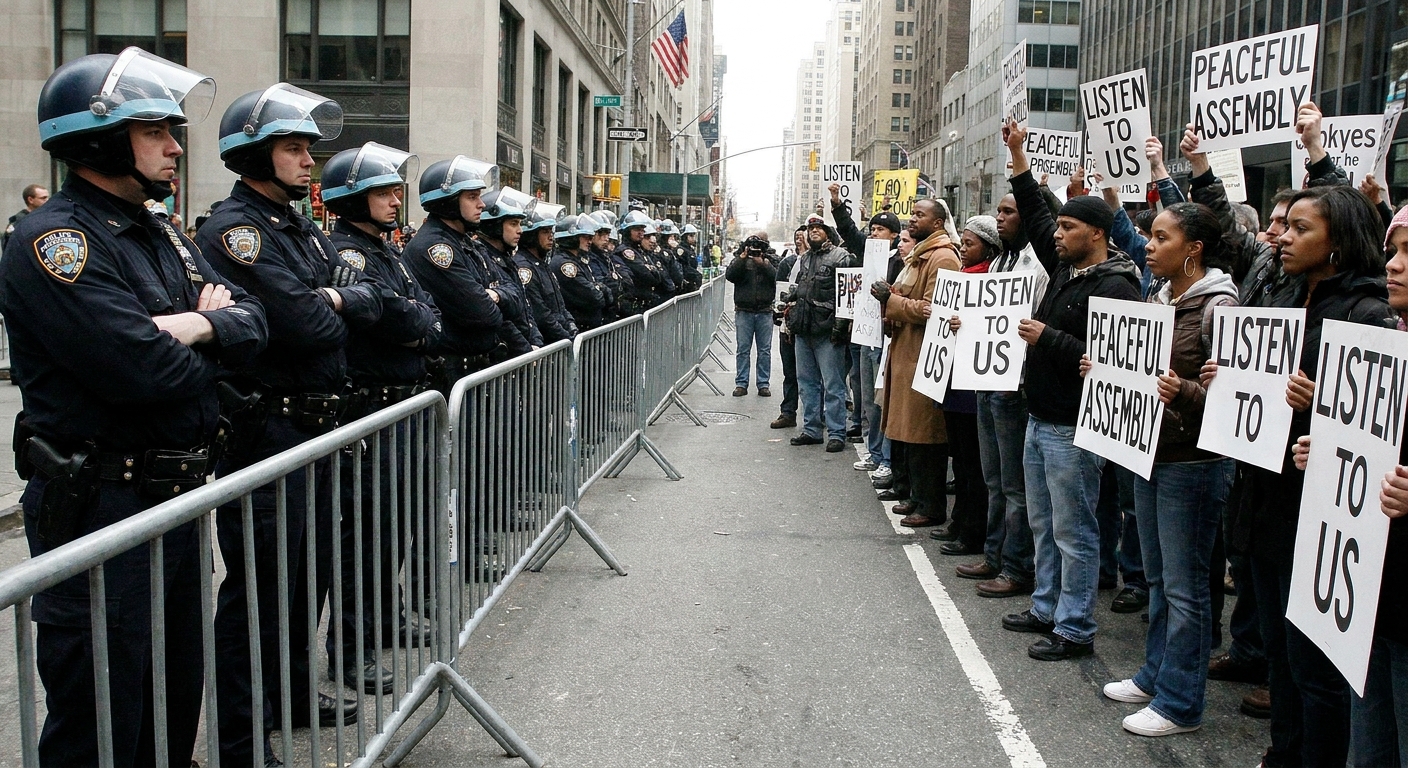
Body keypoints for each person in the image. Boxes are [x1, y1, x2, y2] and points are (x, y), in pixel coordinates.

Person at [0, 48, 265, 768]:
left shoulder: (163, 231)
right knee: (105, 711)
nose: (176, 145)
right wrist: (210, 334)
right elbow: (140, 369)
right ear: (99, 136)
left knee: (174, 695)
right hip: (100, 502)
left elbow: (256, 325)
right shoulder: (58, 242)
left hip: (170, 499)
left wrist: (203, 325)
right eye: (155, 131)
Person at [198, 82, 379, 766]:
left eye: (309, 148)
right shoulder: (234, 231)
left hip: (316, 429)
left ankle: (293, 695)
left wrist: (338, 297)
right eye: (294, 148)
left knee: (308, 580)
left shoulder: (298, 227)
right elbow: (304, 325)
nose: (310, 162)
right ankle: (242, 741)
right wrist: (339, 300)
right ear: (254, 152)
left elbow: (373, 303)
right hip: (268, 431)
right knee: (261, 595)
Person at [1205, 183, 1391, 767]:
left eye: (1301, 229)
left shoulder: (1369, 315)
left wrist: (1320, 405)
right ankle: (1284, 753)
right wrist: (1229, 383)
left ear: (1340, 241)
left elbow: (1377, 429)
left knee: (1317, 668)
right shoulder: (1285, 300)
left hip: (1321, 518)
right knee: (1283, 657)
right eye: (1285, 227)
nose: (1282, 236)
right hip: (1264, 502)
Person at [998, 119, 1142, 661]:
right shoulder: (1066, 268)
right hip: (1041, 418)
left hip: (1075, 428)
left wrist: (1048, 338)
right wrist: (1018, 155)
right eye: (1056, 229)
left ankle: (1075, 625)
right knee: (1043, 521)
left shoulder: (1118, 285)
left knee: (1074, 530)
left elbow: (1106, 360)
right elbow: (1033, 211)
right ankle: (1046, 604)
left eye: (1067, 228)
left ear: (1096, 233)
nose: (1055, 236)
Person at [1095, 202, 1238, 736]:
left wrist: (1184, 391)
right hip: (1148, 452)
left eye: (1160, 237)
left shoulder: (1219, 306)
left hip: (1193, 462)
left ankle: (1181, 702)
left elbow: (1236, 398)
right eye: (1149, 238)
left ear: (1193, 248)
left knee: (1186, 588)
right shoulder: (1160, 295)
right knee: (1157, 578)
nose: (1148, 247)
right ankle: (1155, 674)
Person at [321, 141, 441, 695]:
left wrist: (413, 319)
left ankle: (385, 620)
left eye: (397, 190)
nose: (396, 200)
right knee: (368, 537)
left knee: (396, 528)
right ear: (352, 198)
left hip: (403, 401)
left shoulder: (388, 251)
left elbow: (424, 313)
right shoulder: (348, 253)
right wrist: (412, 319)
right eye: (383, 192)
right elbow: (392, 316)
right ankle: (352, 650)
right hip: (372, 405)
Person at [1294, 204, 1408, 766]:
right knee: (1371, 745)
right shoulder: (1392, 342)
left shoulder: (1369, 321)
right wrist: (1333, 448)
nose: (1396, 265)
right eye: (1395, 250)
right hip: (1372, 590)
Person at [962, 195, 1045, 597]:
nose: (1000, 219)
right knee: (993, 479)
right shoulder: (1001, 263)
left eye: (1009, 212)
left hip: (1016, 385)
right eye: (998, 212)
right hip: (987, 378)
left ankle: (1017, 567)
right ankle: (994, 555)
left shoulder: (1039, 263)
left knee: (1015, 487)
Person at [873, 201, 960, 527]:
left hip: (924, 357)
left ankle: (931, 504)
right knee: (909, 433)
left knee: (925, 433)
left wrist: (890, 300)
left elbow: (932, 308)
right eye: (912, 213)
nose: (912, 218)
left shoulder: (943, 257)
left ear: (937, 222)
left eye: (920, 214)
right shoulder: (919, 254)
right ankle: (917, 496)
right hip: (906, 351)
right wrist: (890, 303)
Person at [402, 156, 510, 392]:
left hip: (473, 369)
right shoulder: (435, 248)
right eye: (472, 197)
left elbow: (514, 294)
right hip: (454, 372)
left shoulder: (464, 243)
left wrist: (497, 295)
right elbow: (483, 314)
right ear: (448, 202)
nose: (481, 204)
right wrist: (494, 296)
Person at [938, 216, 1002, 556]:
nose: (963, 250)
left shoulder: (992, 281)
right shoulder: (959, 279)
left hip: (973, 382)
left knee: (975, 462)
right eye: (961, 243)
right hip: (951, 376)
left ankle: (974, 531)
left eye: (970, 244)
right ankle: (960, 520)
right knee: (960, 459)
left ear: (988, 248)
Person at [785, 214, 854, 451]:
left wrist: (841, 327)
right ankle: (812, 429)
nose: (813, 231)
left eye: (818, 227)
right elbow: (801, 289)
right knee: (806, 383)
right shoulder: (804, 259)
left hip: (827, 331)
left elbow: (847, 297)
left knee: (833, 385)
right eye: (810, 228)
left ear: (828, 231)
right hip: (803, 330)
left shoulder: (841, 257)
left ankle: (836, 433)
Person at [475, 186, 542, 354]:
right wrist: (526, 350)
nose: (520, 230)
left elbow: (525, 308)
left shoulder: (506, 259)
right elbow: (502, 319)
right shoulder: (482, 258)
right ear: (495, 225)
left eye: (519, 223)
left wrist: (536, 341)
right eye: (513, 224)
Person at [515, 204, 577, 343]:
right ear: (531, 235)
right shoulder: (525, 267)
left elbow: (560, 305)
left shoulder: (542, 264)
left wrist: (571, 325)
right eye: (544, 232)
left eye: (551, 231)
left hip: (558, 340)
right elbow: (541, 314)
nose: (551, 237)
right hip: (548, 343)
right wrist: (566, 336)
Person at [726, 235, 778, 397]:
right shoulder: (740, 258)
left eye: (758, 247)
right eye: (752, 247)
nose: (755, 250)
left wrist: (763, 264)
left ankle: (763, 384)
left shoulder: (771, 259)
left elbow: (777, 278)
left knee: (764, 350)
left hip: (765, 311)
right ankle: (741, 383)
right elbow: (731, 276)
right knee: (743, 349)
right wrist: (742, 258)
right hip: (744, 310)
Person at [771, 225, 806, 430]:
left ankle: (817, 417)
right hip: (788, 325)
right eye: (797, 237)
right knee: (790, 372)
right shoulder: (787, 263)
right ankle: (788, 412)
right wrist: (778, 312)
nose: (800, 240)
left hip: (811, 325)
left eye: (804, 236)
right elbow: (780, 290)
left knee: (812, 376)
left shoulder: (819, 262)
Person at [552, 212, 609, 331]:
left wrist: (600, 288)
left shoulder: (579, 260)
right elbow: (594, 297)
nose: (590, 241)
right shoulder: (565, 264)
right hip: (580, 328)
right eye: (586, 237)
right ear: (573, 238)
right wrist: (601, 289)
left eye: (590, 237)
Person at [614, 210, 665, 314]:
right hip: (636, 306)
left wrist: (652, 270)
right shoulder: (626, 251)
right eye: (637, 229)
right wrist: (651, 269)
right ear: (628, 231)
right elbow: (647, 276)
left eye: (642, 229)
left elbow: (658, 277)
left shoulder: (640, 251)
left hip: (647, 304)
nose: (641, 232)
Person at [3, 183, 50, 249]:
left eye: (48, 197)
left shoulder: (46, 218)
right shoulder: (19, 222)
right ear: (30, 200)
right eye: (43, 198)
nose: (47, 201)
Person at [679, 223, 704, 291]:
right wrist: (696, 275)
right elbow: (685, 268)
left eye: (694, 236)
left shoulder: (691, 249)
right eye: (691, 236)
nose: (693, 238)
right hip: (686, 284)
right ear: (685, 236)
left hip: (692, 283)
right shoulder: (681, 250)